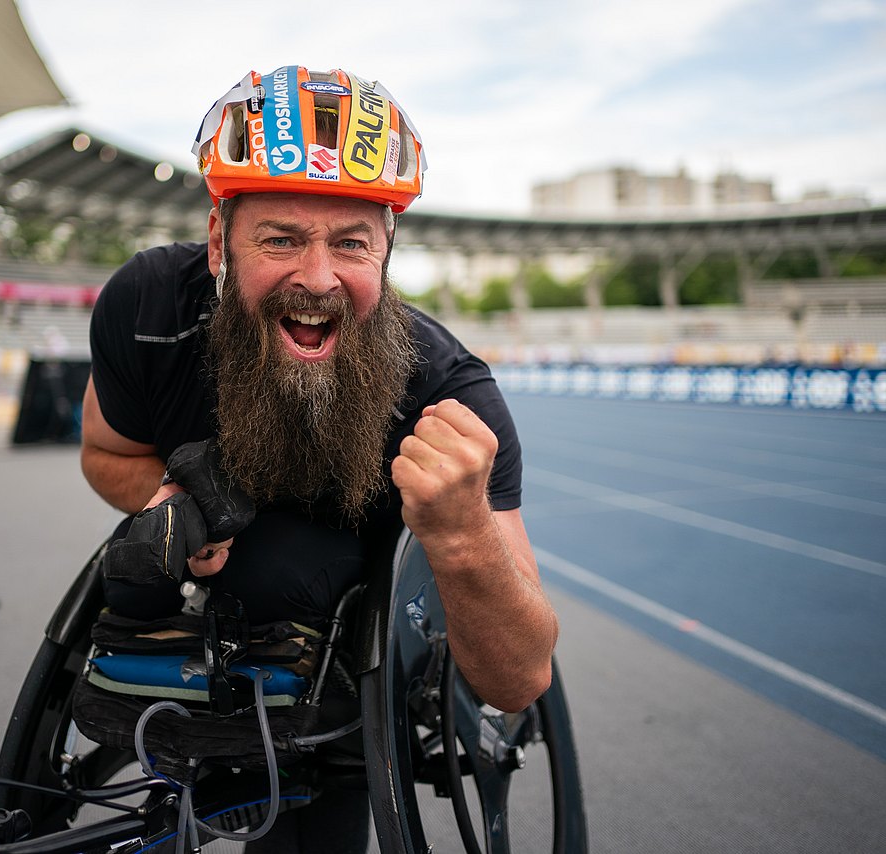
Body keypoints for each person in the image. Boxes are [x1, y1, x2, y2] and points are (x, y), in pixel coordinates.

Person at [80, 66, 558, 851]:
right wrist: (165, 493)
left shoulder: (448, 395)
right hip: (208, 590)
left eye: (351, 244)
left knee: (299, 577)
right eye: (280, 239)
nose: (317, 276)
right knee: (135, 576)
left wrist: (465, 532)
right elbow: (104, 449)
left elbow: (518, 679)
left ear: (387, 255)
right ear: (217, 244)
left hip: (349, 633)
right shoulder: (146, 310)